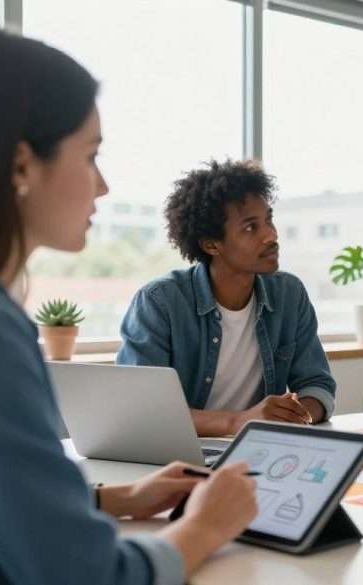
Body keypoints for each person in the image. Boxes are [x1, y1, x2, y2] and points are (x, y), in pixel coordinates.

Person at [0, 30, 257, 585]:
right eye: (90, 156)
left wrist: (114, 499)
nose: (104, 186)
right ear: (20, 166)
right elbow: (88, 574)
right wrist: (206, 526)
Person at [117, 160, 336, 436]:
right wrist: (240, 421)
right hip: (181, 457)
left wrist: (292, 416)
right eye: (250, 228)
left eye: (268, 219)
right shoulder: (159, 302)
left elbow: (318, 386)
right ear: (211, 244)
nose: (271, 235)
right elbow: (143, 411)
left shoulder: (289, 295)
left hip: (261, 450)